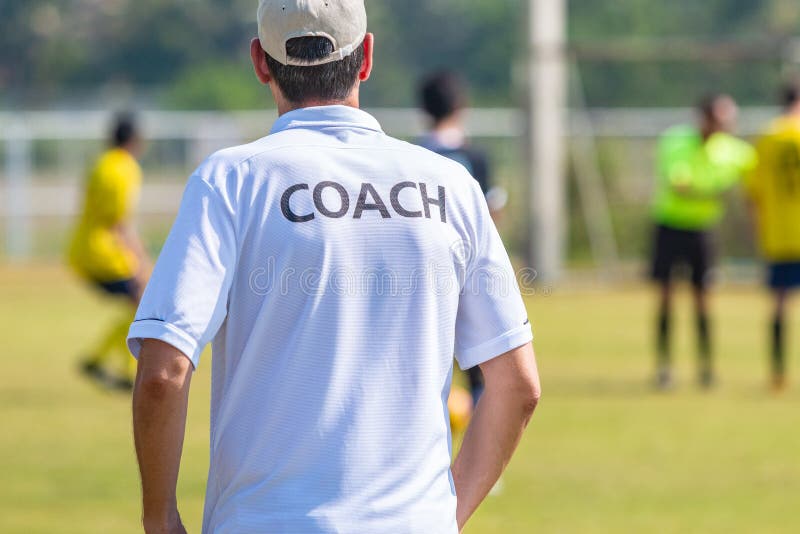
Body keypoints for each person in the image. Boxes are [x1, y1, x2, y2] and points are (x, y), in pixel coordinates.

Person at [128, 2, 541, 533]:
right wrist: (441, 517)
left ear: (260, 62)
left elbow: (164, 372)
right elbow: (519, 385)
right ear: (366, 56)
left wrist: (159, 518)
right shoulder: (450, 185)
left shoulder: (230, 180)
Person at [650, 94, 757, 390]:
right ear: (705, 118)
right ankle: (664, 368)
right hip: (670, 225)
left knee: (703, 300)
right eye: (721, 120)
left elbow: (758, 172)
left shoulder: (734, 150)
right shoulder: (675, 141)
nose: (726, 126)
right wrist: (715, 191)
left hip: (703, 230)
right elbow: (680, 186)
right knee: (666, 298)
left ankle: (706, 369)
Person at [417, 71, 506, 406]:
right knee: (478, 354)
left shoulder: (412, 153)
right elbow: (490, 213)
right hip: (469, 267)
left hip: (422, 269)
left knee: (428, 351)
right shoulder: (475, 157)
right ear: (461, 105)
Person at [68, 114, 150, 390]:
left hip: (81, 249)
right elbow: (119, 222)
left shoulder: (101, 163)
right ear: (135, 141)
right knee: (143, 302)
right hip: (104, 253)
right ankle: (108, 364)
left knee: (137, 304)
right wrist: (140, 260)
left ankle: (104, 363)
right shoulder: (125, 168)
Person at [746, 82, 800, 392]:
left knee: (780, 303)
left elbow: (754, 192)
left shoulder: (767, 137)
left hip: (778, 233)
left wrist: (759, 229)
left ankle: (778, 373)